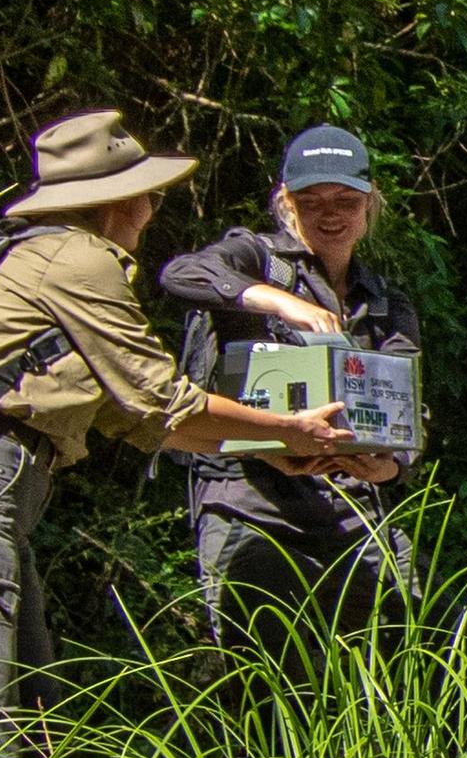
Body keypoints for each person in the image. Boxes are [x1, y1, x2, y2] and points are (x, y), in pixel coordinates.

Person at [0, 109, 350, 758]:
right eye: (147, 194)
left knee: (36, 743)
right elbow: (163, 400)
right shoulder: (78, 262)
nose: (154, 209)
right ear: (113, 203)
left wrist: (274, 446)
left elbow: (139, 421)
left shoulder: (47, 262)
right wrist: (289, 429)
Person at [157, 122, 418, 656]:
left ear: (370, 203)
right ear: (286, 202)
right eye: (310, 199)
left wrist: (384, 466)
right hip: (251, 505)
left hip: (356, 510)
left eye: (346, 199)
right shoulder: (254, 258)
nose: (330, 214)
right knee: (274, 683)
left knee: (421, 658)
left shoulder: (387, 303)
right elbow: (181, 273)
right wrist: (276, 301)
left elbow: (409, 428)